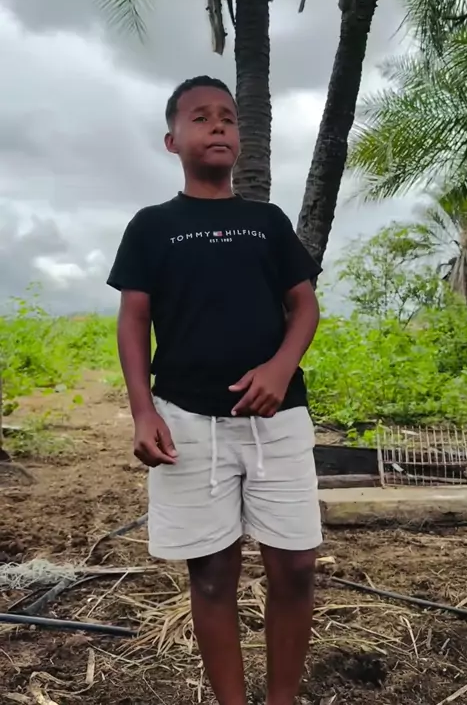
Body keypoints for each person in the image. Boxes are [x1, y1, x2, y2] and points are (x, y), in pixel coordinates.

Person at [107, 75, 322, 705]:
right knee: (210, 575)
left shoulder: (266, 222)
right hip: (186, 421)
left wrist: (280, 368)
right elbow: (134, 320)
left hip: (278, 420)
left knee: (296, 567)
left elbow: (304, 306)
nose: (219, 124)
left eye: (227, 116)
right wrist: (142, 410)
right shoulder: (151, 226)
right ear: (172, 140)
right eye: (201, 117)